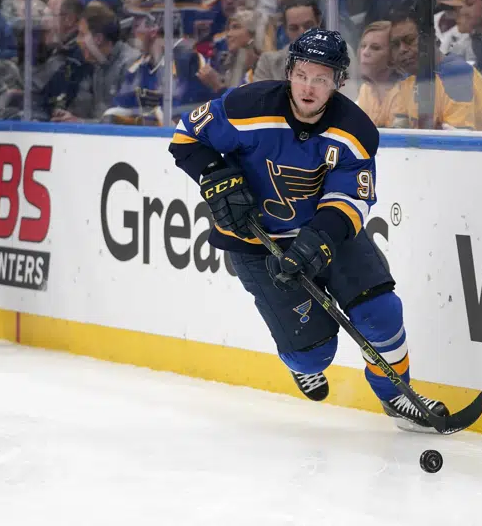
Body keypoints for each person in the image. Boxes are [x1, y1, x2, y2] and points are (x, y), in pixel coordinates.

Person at [168, 29, 449, 432]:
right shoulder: (246, 106)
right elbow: (186, 137)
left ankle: (397, 397)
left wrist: (318, 238)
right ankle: (303, 362)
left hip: (326, 235)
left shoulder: (355, 130)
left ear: (338, 81)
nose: (309, 87)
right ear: (289, 72)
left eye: (321, 78)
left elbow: (351, 198)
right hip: (256, 245)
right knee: (313, 355)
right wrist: (214, 173)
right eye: (302, 75)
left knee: (380, 312)